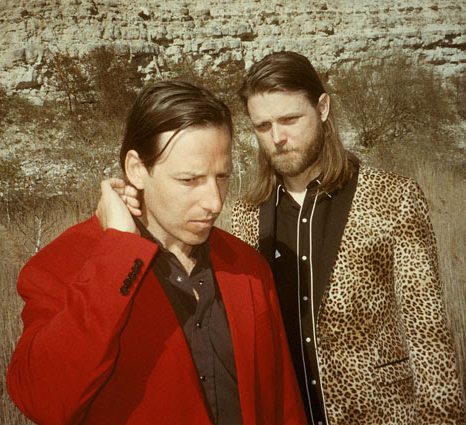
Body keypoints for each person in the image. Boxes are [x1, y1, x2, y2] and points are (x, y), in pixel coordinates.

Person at [7, 81, 307, 425]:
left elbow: (283, 405)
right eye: (189, 180)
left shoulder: (248, 267)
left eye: (222, 176)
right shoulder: (62, 265)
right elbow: (42, 400)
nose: (214, 202)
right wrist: (118, 252)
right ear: (137, 169)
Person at [230, 51, 466, 424]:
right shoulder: (246, 216)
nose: (277, 138)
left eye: (290, 119)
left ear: (322, 108)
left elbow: (429, 337)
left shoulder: (394, 198)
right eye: (262, 126)